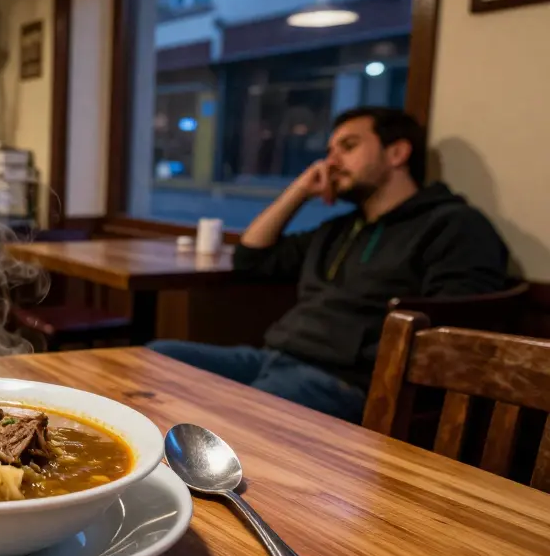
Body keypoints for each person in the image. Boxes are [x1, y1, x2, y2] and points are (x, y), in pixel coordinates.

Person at [149, 107, 509, 422]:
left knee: (224, 422)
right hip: (270, 357)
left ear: (397, 152)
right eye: (329, 151)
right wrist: (299, 191)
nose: (330, 162)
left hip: (343, 381)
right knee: (152, 361)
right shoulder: (339, 229)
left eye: (348, 147)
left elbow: (457, 333)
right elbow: (251, 258)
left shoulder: (453, 225)